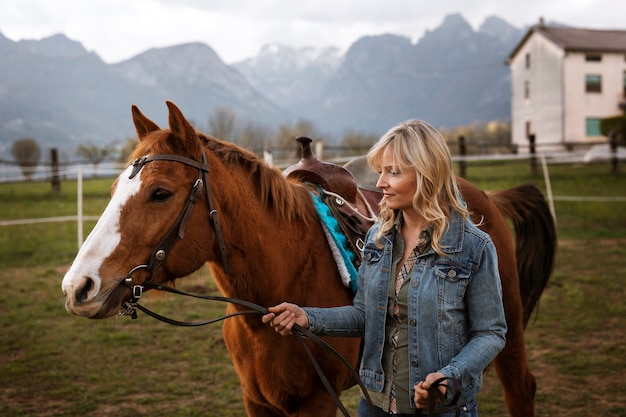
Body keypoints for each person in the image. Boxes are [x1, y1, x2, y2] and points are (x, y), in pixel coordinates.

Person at [262, 120, 507, 417]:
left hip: (440, 409)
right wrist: (306, 317)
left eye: (393, 172)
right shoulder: (378, 239)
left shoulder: (473, 246)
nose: (379, 184)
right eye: (381, 172)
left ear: (427, 175)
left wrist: (451, 375)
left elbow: (490, 333)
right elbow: (365, 315)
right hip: (374, 405)